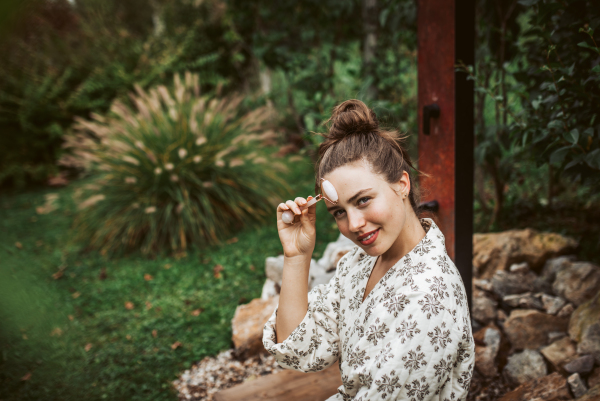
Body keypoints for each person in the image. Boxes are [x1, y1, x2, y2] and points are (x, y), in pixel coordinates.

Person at [262, 99, 474, 400]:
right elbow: (299, 349)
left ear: (402, 184)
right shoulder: (359, 264)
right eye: (338, 212)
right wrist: (296, 257)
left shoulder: (428, 296)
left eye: (363, 200)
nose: (355, 224)